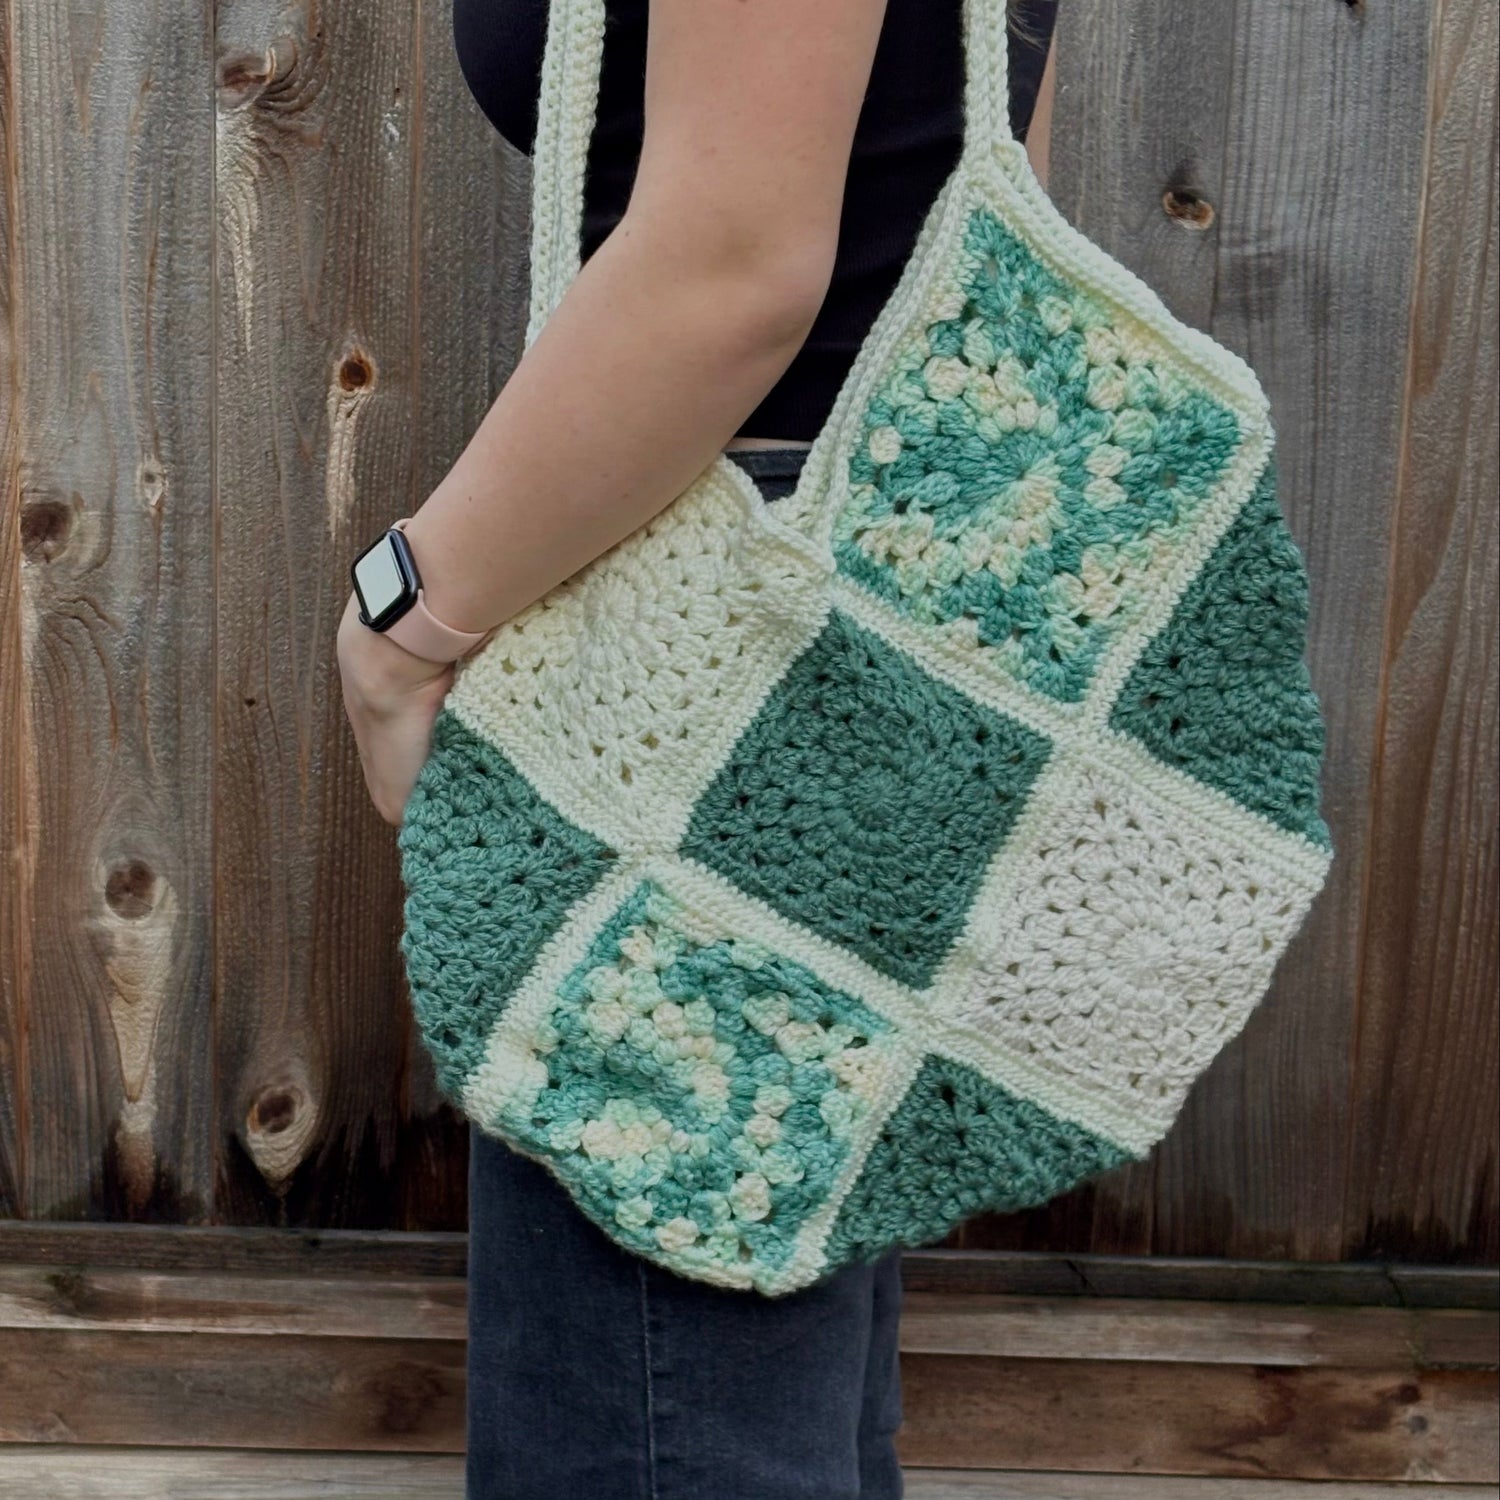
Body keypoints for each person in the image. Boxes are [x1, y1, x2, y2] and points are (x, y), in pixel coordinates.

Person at [338, 2, 1056, 1494]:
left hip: (713, 641)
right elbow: (991, 223)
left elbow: (733, 270)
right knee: (762, 1406)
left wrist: (399, 620)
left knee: (659, 1430)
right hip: (871, 600)